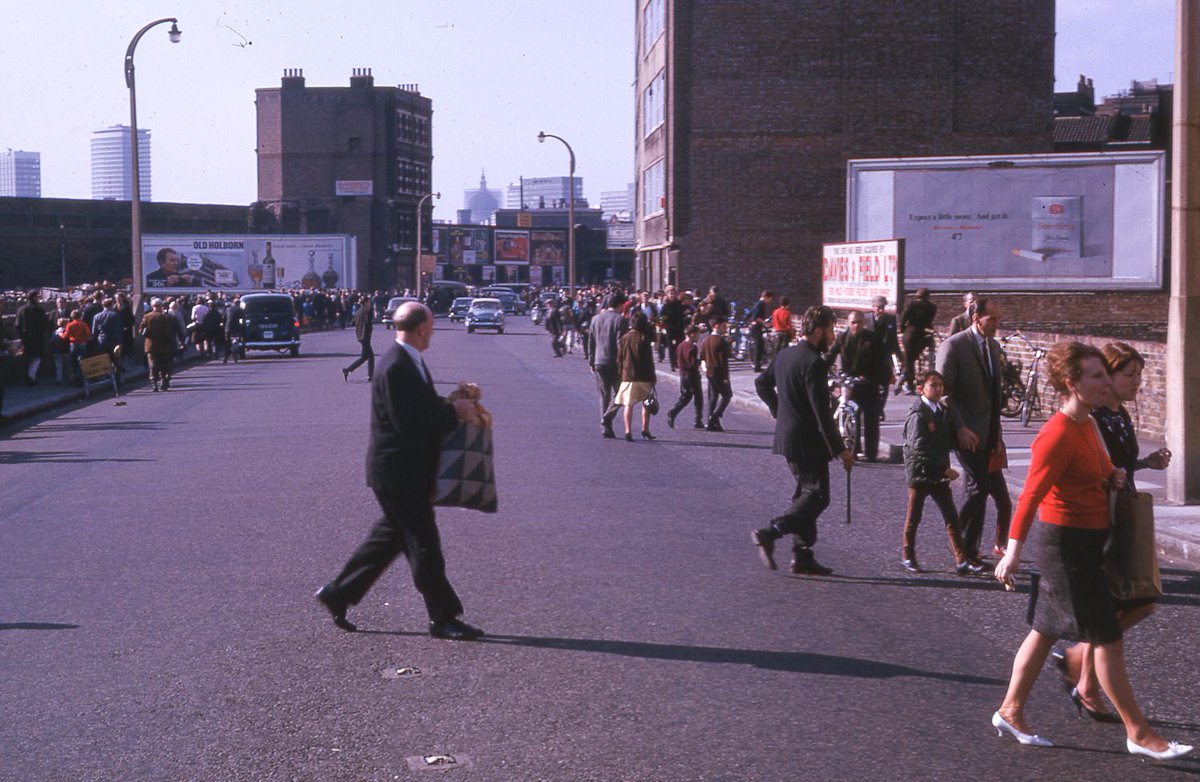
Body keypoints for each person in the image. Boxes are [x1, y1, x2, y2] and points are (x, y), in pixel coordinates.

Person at [991, 342, 1192, 760]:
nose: (1106, 383)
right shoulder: (1057, 433)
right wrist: (1012, 552)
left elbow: (1101, 470)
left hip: (1086, 540)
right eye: (1097, 376)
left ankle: (1010, 710)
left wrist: (1115, 477)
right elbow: (1029, 496)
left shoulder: (1089, 425)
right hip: (1064, 546)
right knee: (1107, 636)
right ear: (1072, 384)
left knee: (1046, 631)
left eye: (1105, 374)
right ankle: (1139, 732)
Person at [316, 302, 484, 640]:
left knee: (387, 539)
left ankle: (338, 592)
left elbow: (419, 405)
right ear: (421, 327)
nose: (433, 332)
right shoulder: (396, 365)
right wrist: (454, 414)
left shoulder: (406, 360)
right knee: (424, 545)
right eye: (432, 326)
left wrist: (450, 403)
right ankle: (443, 617)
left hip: (402, 469)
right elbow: (407, 422)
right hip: (399, 471)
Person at [1056, 342, 1173, 722]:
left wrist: (1145, 462)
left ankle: (1080, 663)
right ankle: (1086, 681)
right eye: (1129, 375)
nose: (1136, 382)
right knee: (1129, 603)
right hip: (1102, 521)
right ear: (1106, 376)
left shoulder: (1119, 414)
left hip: (1125, 513)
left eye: (1138, 374)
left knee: (1140, 600)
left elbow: (1119, 464)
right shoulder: (1095, 420)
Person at [752, 305, 853, 576]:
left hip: (788, 437)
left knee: (805, 493)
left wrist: (779, 411)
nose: (833, 336)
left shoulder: (786, 355)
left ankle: (803, 555)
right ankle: (771, 532)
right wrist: (841, 450)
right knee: (817, 495)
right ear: (818, 330)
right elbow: (822, 413)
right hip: (808, 440)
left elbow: (761, 383)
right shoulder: (814, 363)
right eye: (831, 330)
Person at [936, 297, 1009, 567]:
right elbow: (943, 392)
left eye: (999, 319)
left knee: (981, 487)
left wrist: (998, 435)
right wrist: (961, 427)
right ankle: (963, 551)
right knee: (978, 487)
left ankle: (971, 550)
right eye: (993, 319)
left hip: (988, 431)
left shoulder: (992, 346)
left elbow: (993, 397)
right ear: (976, 318)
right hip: (966, 431)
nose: (997, 324)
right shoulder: (954, 346)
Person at [900, 371, 979, 575]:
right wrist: (944, 468)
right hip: (921, 474)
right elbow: (919, 449)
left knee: (951, 516)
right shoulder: (918, 416)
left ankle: (961, 560)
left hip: (939, 475)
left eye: (940, 385)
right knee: (914, 518)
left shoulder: (941, 411)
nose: (938, 389)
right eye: (933, 385)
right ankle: (907, 556)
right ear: (921, 389)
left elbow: (948, 439)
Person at [825, 310, 885, 460]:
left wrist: (868, 376)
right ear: (848, 323)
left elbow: (881, 362)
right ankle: (853, 448)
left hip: (868, 384)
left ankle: (871, 454)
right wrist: (819, 368)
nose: (856, 325)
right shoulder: (842, 338)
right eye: (853, 322)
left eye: (859, 322)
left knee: (871, 419)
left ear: (864, 323)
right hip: (850, 384)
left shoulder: (874, 339)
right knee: (851, 416)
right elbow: (830, 355)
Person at [602, 309, 658, 441]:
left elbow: (619, 358)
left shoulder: (625, 338)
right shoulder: (644, 338)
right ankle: (645, 429)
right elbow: (649, 360)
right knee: (646, 403)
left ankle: (628, 431)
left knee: (628, 404)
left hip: (628, 375)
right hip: (644, 376)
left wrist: (621, 373)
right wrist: (653, 377)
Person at [589, 293, 627, 438]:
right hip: (614, 362)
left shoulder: (595, 319)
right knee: (622, 394)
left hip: (599, 360)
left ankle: (606, 428)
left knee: (604, 395)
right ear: (619, 305)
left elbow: (591, 342)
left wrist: (591, 361)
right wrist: (623, 362)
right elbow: (620, 343)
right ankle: (607, 417)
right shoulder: (620, 320)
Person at [898, 287, 938, 393]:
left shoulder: (911, 305)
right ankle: (905, 377)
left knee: (909, 359)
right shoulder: (932, 307)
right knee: (914, 357)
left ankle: (908, 382)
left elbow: (903, 319)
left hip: (910, 334)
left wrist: (903, 330)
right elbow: (929, 321)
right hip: (923, 335)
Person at [666, 325, 704, 430]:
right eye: (697, 334)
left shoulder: (681, 345)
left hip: (683, 374)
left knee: (685, 396)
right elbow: (693, 363)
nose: (698, 337)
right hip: (692, 374)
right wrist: (700, 360)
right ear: (692, 334)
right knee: (698, 397)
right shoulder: (693, 347)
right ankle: (697, 419)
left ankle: (674, 412)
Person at [139, 298, 181, 391]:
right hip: (164, 345)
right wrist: (172, 343)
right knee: (164, 364)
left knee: (153, 365)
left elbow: (141, 331)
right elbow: (170, 333)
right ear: (161, 306)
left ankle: (154, 383)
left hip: (151, 344)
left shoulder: (147, 317)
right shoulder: (166, 318)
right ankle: (164, 381)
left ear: (152, 306)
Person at [699, 318, 733, 432]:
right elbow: (724, 360)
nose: (726, 328)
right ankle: (713, 417)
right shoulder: (721, 341)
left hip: (709, 371)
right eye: (724, 326)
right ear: (716, 326)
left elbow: (702, 356)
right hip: (719, 372)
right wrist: (725, 377)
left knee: (713, 397)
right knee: (727, 395)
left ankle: (712, 423)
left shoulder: (706, 340)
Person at [16, 290, 49, 387]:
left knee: (27, 358)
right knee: (37, 358)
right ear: (34, 297)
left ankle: (29, 376)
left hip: (25, 338)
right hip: (37, 339)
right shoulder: (39, 310)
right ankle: (31, 376)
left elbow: (17, 325)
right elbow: (44, 325)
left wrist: (22, 336)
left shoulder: (21, 310)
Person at [342, 296, 375, 381]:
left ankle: (349, 370)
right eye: (369, 302)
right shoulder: (366, 312)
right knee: (368, 356)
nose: (370, 304)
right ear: (366, 303)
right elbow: (368, 323)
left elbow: (353, 322)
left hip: (360, 335)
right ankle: (349, 370)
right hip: (365, 336)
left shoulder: (358, 311)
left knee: (366, 357)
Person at [747, 290, 775, 372]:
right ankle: (757, 366)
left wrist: (751, 322)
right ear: (766, 297)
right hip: (757, 328)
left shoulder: (756, 303)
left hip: (754, 327)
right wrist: (765, 324)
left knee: (759, 345)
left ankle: (757, 365)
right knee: (759, 346)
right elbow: (757, 317)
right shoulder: (761, 304)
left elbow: (749, 315)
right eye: (769, 299)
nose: (769, 301)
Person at [222, 295, 244, 364]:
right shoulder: (239, 310)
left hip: (227, 328)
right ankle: (235, 356)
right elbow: (243, 318)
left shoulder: (227, 309)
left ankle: (225, 358)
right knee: (236, 342)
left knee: (227, 343)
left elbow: (223, 318)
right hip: (236, 329)